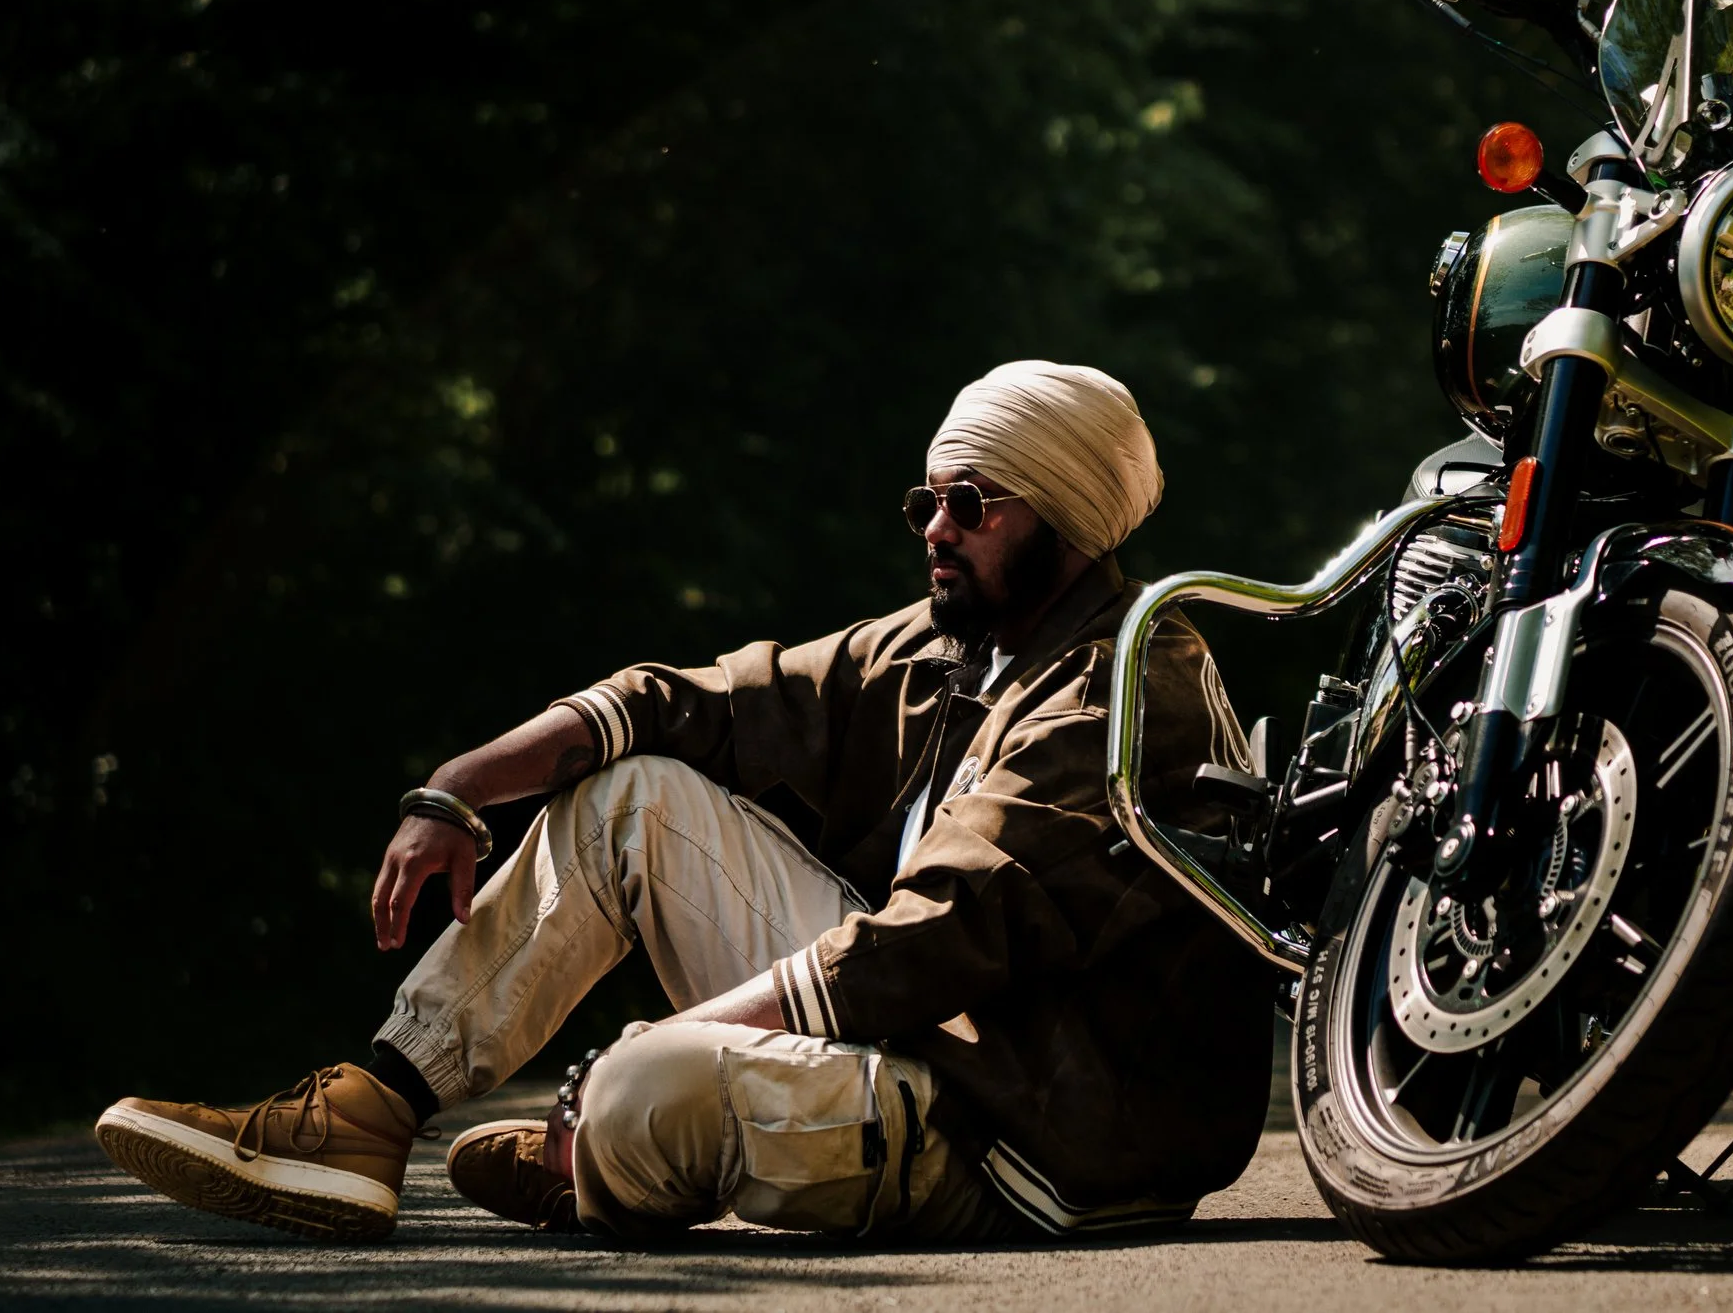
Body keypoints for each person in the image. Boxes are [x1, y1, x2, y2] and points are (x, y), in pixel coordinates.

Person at [96, 360, 1276, 1244]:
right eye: (924, 501)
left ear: (1062, 517)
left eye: (971, 503)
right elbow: (683, 701)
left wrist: (673, 1035)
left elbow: (939, 936)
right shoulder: (948, 645)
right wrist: (454, 787)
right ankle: (372, 1110)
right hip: (939, 1040)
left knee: (640, 1083)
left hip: (1035, 1136)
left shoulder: (1130, 685)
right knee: (632, 795)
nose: (933, 531)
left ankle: (611, 1146)